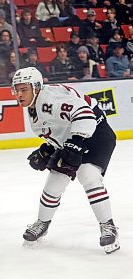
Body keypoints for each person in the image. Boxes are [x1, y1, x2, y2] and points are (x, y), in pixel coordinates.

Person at [11, 67, 119, 254]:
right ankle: (42, 223)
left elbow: (85, 114)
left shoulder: (49, 100)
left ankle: (108, 226)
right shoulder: (35, 106)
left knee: (88, 175)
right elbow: (60, 129)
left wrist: (76, 143)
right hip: (74, 137)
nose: (19, 94)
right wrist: (47, 149)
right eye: (16, 90)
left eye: (23, 89)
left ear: (36, 88)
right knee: (54, 182)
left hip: (97, 135)